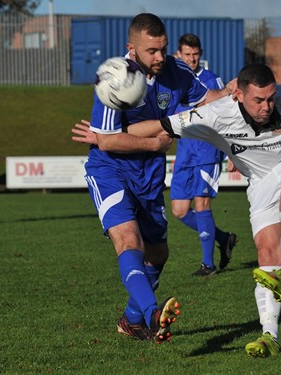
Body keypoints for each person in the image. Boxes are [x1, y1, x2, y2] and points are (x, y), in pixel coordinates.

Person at [73, 63, 281, 355]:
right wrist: (105, 137)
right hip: (260, 181)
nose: (267, 106)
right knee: (265, 253)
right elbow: (160, 125)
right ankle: (269, 336)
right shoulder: (215, 114)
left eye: (271, 98)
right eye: (259, 100)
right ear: (237, 94)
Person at [72, 13, 235, 343]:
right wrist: (156, 142)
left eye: (162, 49)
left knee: (158, 254)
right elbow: (106, 139)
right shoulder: (114, 76)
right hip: (110, 170)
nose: (159, 57)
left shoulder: (175, 71)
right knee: (129, 240)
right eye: (151, 51)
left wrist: (232, 92)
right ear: (131, 48)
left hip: (149, 175)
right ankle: (151, 314)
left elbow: (206, 100)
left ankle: (132, 319)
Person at [172, 33, 237, 276]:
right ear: (179, 54)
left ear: (201, 54)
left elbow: (228, 115)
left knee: (201, 204)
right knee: (179, 210)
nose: (191, 59)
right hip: (185, 151)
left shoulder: (211, 80)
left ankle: (207, 265)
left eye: (195, 55)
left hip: (207, 150)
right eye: (187, 55)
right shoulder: (174, 79)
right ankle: (223, 238)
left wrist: (232, 151)